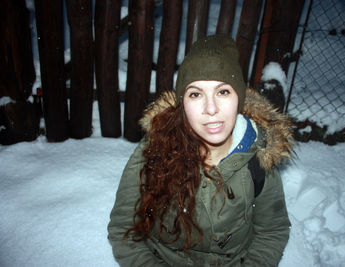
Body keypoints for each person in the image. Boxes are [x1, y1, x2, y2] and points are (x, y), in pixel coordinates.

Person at [108, 34, 294, 266]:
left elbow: (271, 232)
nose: (211, 108)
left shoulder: (259, 156)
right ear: (182, 103)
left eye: (223, 92)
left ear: (239, 98)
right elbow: (124, 230)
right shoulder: (155, 150)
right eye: (196, 94)